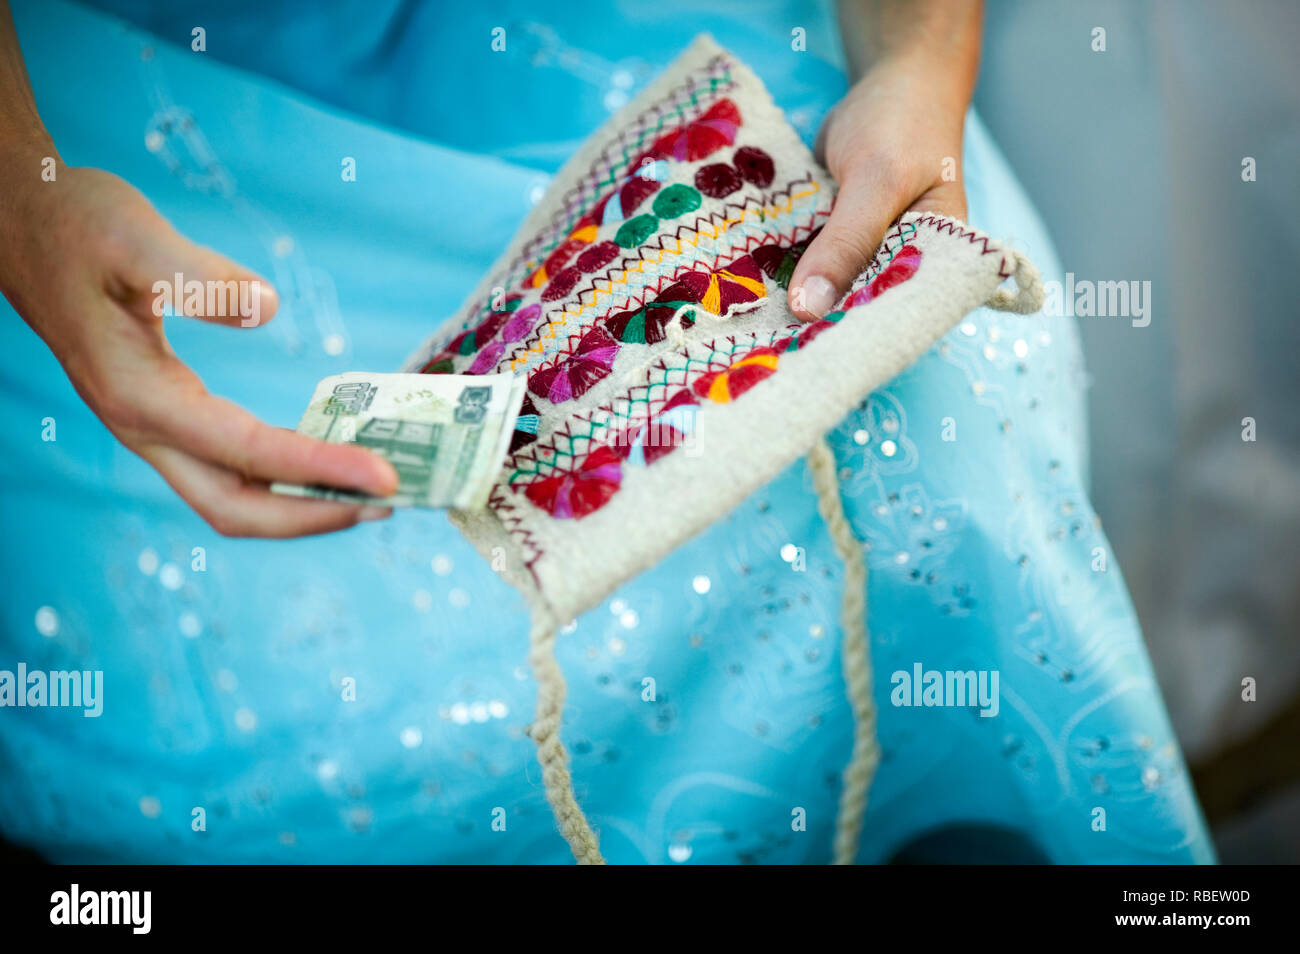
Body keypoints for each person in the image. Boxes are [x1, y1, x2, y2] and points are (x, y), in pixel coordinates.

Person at [0, 0, 1214, 863]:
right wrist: (25, 206)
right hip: (108, 119)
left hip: (622, 37)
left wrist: (919, 65)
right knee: (310, 671)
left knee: (932, 412)